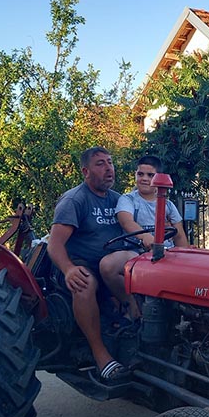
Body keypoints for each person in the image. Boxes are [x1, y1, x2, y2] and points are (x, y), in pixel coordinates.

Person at [47, 146, 128, 384]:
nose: (109, 168)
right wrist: (69, 269)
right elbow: (54, 245)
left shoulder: (119, 200)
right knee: (84, 282)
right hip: (81, 263)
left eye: (110, 162)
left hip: (110, 263)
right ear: (86, 171)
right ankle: (100, 354)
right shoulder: (75, 200)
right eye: (100, 164)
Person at [100, 155, 189, 319]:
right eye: (140, 174)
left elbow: (180, 235)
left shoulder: (168, 205)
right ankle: (133, 307)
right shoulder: (128, 200)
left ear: (159, 178)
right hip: (137, 252)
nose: (144, 179)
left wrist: (186, 256)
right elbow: (126, 221)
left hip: (166, 254)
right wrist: (146, 237)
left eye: (150, 175)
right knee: (108, 266)